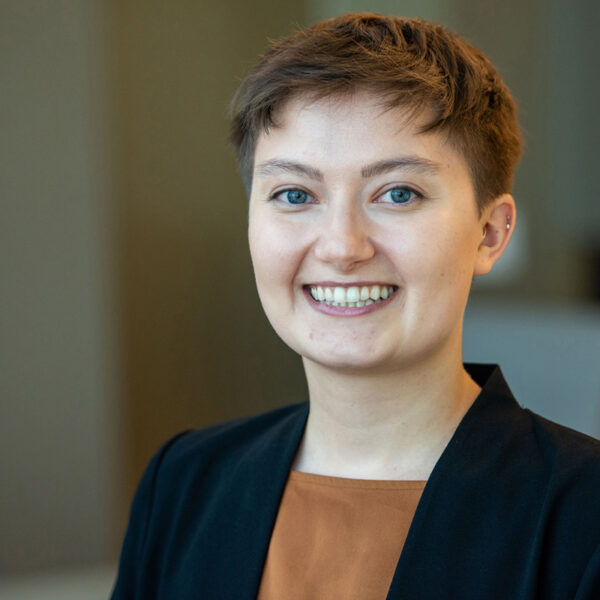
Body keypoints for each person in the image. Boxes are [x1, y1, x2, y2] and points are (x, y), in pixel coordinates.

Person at [111, 13, 600, 599]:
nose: (342, 247)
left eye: (398, 193)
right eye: (294, 194)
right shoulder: (184, 482)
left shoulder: (585, 513)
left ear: (490, 233)